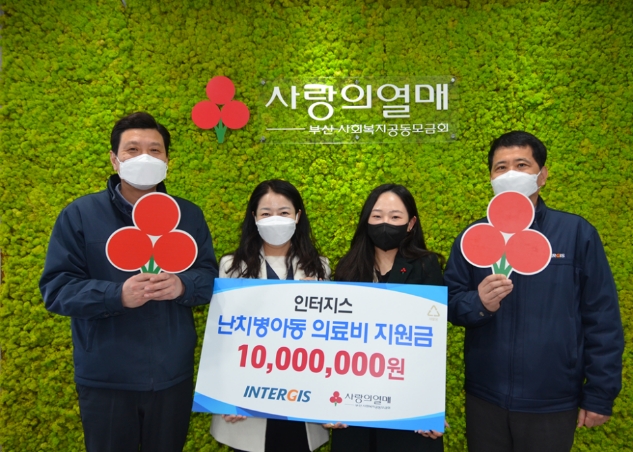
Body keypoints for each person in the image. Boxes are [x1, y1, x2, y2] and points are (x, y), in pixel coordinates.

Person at [39, 112, 218, 452]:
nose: (144, 157)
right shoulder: (80, 214)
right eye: (133, 149)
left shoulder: (189, 215)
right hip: (106, 377)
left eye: (155, 150)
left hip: (171, 375)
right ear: (114, 159)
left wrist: (183, 286)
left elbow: (209, 279)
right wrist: (116, 295)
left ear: (167, 160)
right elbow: (57, 289)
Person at [444, 131, 624, 452]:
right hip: (485, 397)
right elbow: (450, 302)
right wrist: (479, 303)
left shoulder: (576, 233)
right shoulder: (473, 237)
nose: (510, 174)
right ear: (491, 177)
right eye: (501, 167)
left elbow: (602, 317)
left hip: (552, 400)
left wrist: (599, 393)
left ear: (542, 175)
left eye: (521, 165)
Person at [210, 179, 330, 452]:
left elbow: (327, 339)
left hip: (300, 395)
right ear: (254, 217)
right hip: (247, 397)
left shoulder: (319, 267)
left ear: (297, 216)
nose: (275, 219)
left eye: (284, 212)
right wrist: (227, 395)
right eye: (266, 213)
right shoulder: (232, 266)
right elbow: (224, 337)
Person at [330, 183, 445, 452]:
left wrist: (429, 408)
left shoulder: (427, 265)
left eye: (395, 217)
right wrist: (329, 403)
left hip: (407, 405)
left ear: (411, 223)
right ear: (366, 221)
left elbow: (431, 345)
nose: (385, 223)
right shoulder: (347, 268)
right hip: (352, 404)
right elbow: (333, 341)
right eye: (377, 216)